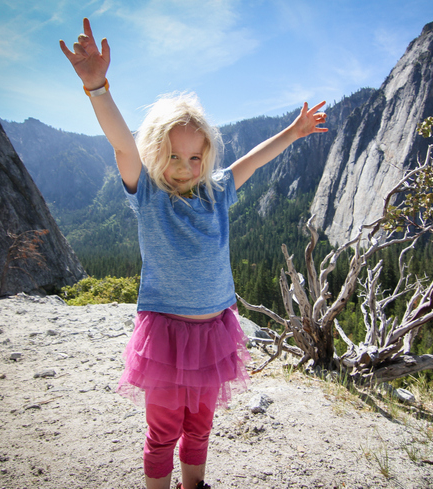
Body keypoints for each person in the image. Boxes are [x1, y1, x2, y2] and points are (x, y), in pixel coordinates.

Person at [60, 18, 327, 489]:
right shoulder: (147, 193)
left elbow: (255, 160)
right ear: (156, 156)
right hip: (163, 336)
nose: (185, 168)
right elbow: (121, 142)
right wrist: (97, 87)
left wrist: (292, 132)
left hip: (213, 335)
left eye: (195, 157)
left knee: (200, 428)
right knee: (163, 432)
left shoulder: (218, 191)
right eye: (174, 157)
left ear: (207, 155)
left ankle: (194, 485)